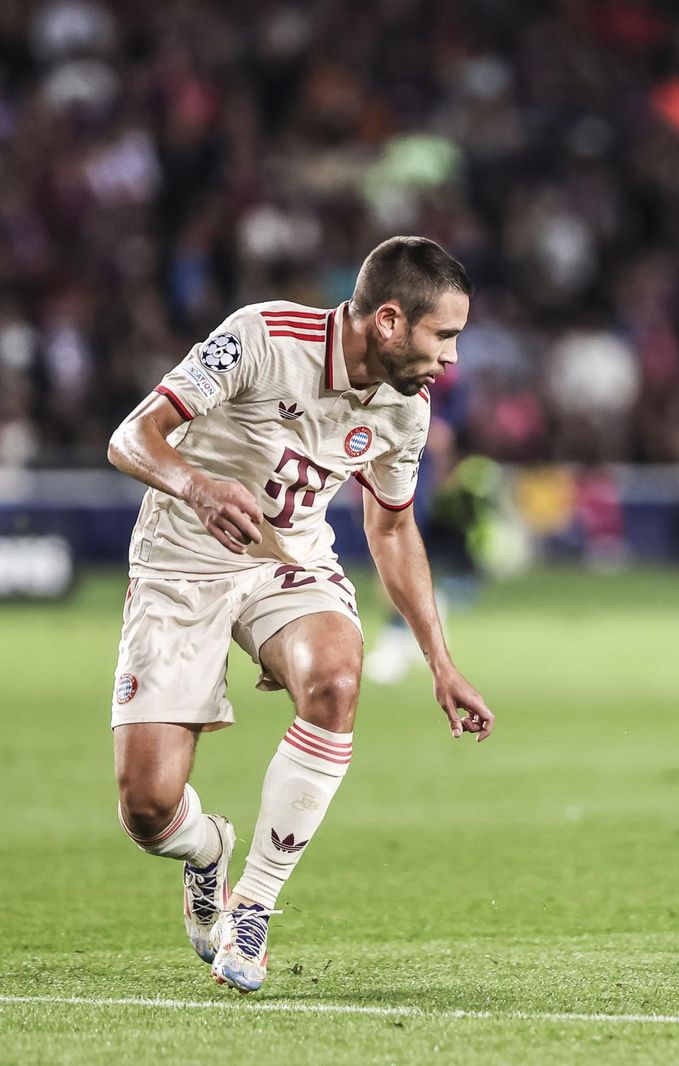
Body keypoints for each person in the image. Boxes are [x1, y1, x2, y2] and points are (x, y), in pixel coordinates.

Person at [106, 236, 495, 993]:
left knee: (338, 678)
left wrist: (441, 663)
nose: (451, 357)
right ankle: (205, 852)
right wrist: (198, 488)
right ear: (389, 321)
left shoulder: (407, 411)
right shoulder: (258, 336)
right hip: (180, 562)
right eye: (444, 334)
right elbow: (132, 436)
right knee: (148, 807)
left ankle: (252, 906)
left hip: (288, 562)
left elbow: (390, 529)